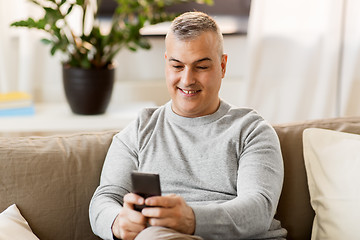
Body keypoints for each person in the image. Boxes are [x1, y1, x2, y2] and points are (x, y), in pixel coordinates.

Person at [89, 11, 287, 240]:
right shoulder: (138, 131)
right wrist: (117, 222)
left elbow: (258, 209)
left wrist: (191, 220)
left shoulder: (252, 131)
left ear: (222, 66)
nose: (187, 79)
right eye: (177, 66)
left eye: (201, 67)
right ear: (166, 64)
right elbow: (104, 199)